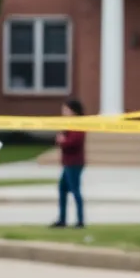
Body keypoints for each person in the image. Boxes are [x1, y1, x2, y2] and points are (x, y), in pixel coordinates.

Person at [51, 98, 86, 229]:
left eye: (66, 110)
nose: (64, 112)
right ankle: (62, 219)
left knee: (75, 190)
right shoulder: (68, 124)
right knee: (62, 189)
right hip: (67, 162)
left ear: (74, 111)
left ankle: (80, 220)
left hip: (74, 163)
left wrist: (62, 141)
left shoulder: (78, 125)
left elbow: (73, 142)